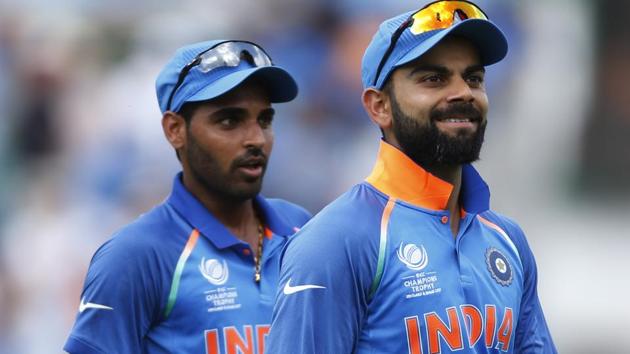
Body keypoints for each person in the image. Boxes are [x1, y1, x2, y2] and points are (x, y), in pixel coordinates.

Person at [266, 1, 557, 353]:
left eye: (473, 78)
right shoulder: (334, 242)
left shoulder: (508, 240)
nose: (463, 92)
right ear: (379, 106)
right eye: (434, 79)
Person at [64, 39, 311, 354]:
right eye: (229, 121)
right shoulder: (136, 255)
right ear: (174, 129)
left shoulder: (301, 229)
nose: (256, 139)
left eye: (264, 120)